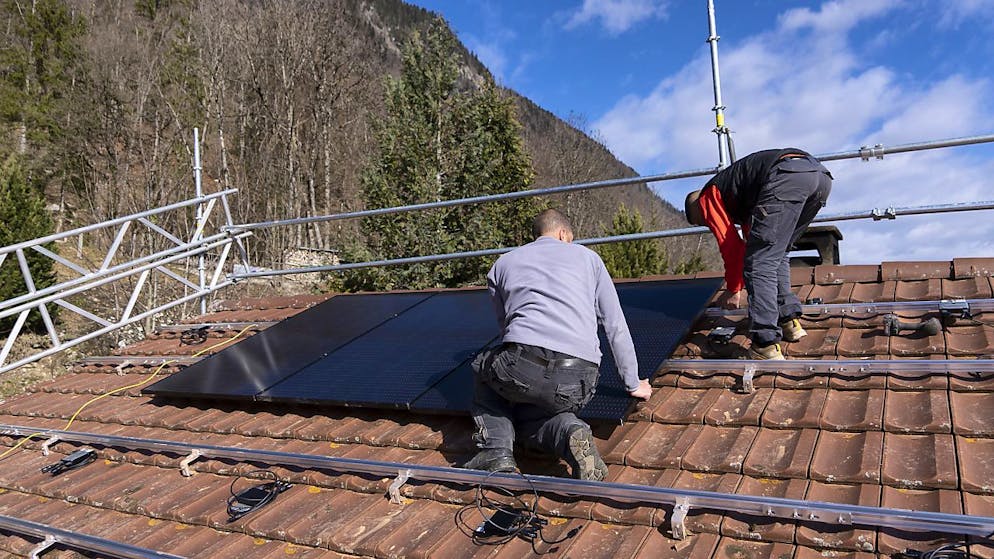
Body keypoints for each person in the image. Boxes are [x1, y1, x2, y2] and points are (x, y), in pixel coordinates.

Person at [464, 209, 652, 479]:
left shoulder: (503, 264)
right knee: (532, 416)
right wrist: (633, 384)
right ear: (564, 234)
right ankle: (569, 432)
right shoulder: (589, 259)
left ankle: (496, 452)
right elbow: (614, 325)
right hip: (578, 379)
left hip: (522, 365)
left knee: (483, 365)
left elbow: (506, 328)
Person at [685, 148, 832, 360]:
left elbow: (732, 247)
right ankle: (789, 322)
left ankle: (765, 344)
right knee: (776, 253)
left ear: (697, 209)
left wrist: (733, 289)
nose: (707, 223)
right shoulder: (741, 196)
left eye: (702, 222)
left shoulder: (707, 197)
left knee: (760, 262)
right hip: (818, 177)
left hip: (786, 176)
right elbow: (752, 240)